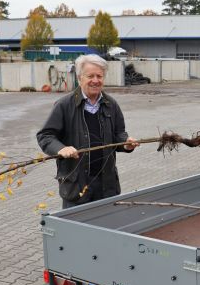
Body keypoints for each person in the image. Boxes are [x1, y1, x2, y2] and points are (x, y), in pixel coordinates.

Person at [37, 54, 138, 209]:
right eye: (90, 76)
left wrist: (126, 144)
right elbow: (45, 136)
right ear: (80, 78)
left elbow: (119, 134)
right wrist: (61, 148)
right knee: (78, 231)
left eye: (99, 76)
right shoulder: (64, 105)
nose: (95, 80)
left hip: (106, 186)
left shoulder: (111, 104)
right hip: (76, 187)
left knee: (107, 228)